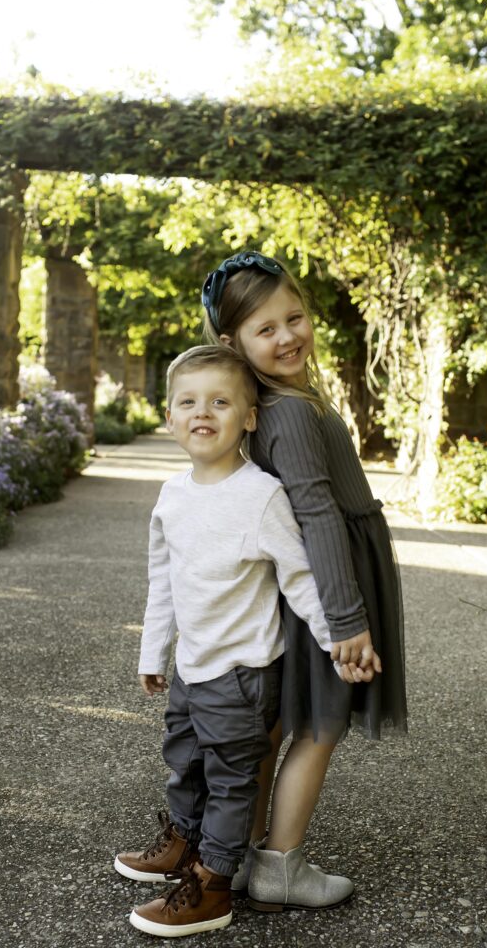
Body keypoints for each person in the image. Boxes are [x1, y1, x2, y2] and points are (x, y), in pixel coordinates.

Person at [199, 249, 408, 912]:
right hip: (330, 578)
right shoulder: (287, 413)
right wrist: (346, 621)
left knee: (281, 722)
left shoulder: (281, 400)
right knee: (318, 724)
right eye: (266, 329)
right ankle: (279, 865)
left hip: (323, 572)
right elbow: (315, 512)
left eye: (294, 317)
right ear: (233, 343)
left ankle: (230, 855)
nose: (287, 335)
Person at [118, 343, 351, 938]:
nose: (203, 412)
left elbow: (299, 577)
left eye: (221, 402)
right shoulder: (172, 496)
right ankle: (184, 848)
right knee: (184, 764)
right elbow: (163, 584)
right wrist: (153, 654)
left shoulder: (261, 494)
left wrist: (337, 640)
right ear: (169, 417)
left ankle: (213, 885)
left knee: (231, 782)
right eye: (188, 402)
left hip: (242, 676)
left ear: (248, 417)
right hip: (192, 671)